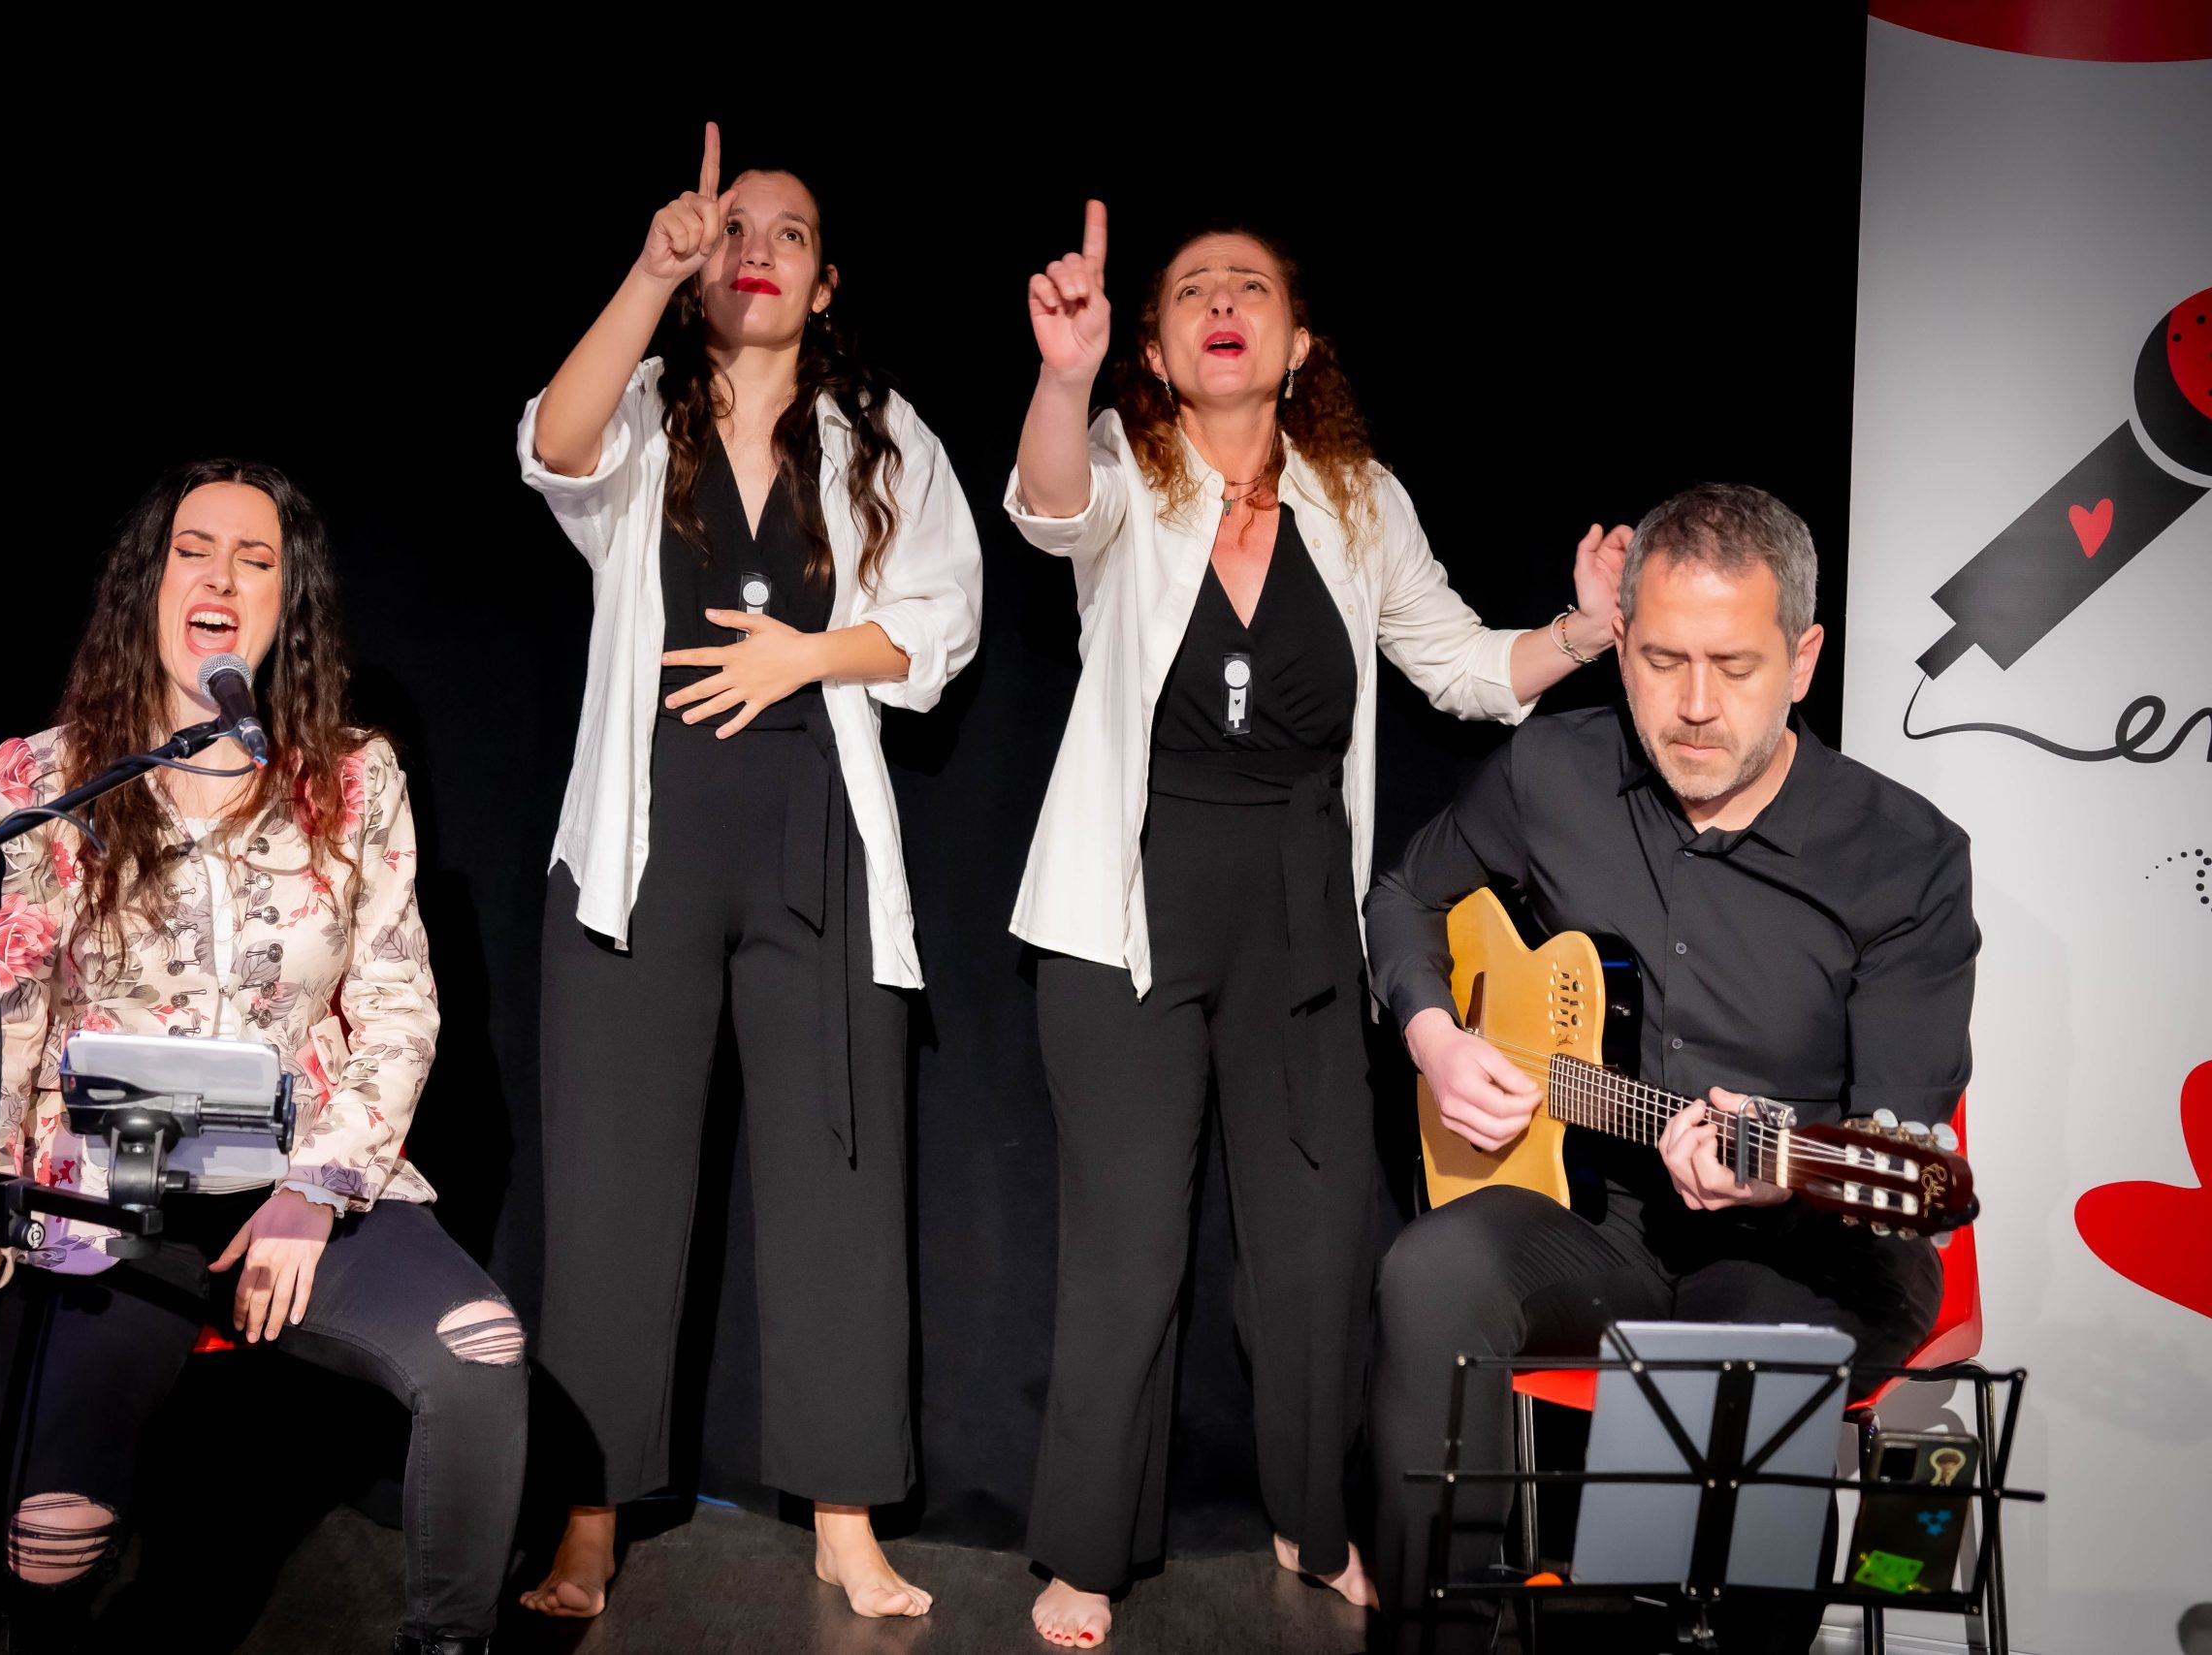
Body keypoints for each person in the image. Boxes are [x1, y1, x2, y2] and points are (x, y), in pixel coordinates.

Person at [1006, 201, 1624, 1649]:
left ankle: (1313, 1516)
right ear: (1156, 349)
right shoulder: (1121, 463)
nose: (1222, 301)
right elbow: (1048, 509)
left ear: (1297, 346)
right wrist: (1061, 377)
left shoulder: (1361, 500)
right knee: (1129, 1252)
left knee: (1316, 1247)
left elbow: (1461, 664)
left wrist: (1587, 630)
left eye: (1251, 287)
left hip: (1297, 906)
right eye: (1192, 290)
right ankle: (1085, 1549)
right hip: (1126, 905)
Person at [0, 460, 525, 1655]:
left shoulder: (352, 776)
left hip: (300, 1178)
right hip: (109, 1193)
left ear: (289, 603)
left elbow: (397, 1002)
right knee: (49, 1539)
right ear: (150, 584)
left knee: (479, 1353)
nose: (223, 579)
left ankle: (451, 1644)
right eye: (195, 552)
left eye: (256, 559)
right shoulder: (45, 779)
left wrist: (313, 1192)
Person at [1364, 483, 1974, 1654]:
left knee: (1735, 1370)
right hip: (1599, 1214)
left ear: (1802, 660)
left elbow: (1898, 1144)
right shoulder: (1553, 773)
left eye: (1734, 666)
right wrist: (1436, 1035)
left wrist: (1779, 1170)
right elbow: (1403, 894)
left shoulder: (1903, 861)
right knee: (1429, 1272)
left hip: (1809, 1241)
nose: (1693, 706)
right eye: (1659, 661)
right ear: (1622, 640)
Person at [516, 123, 980, 1622]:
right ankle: (588, 1514)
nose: (760, 249)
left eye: (791, 233)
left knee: (840, 1178)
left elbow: (948, 613)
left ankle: (845, 1517)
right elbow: (551, 445)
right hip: (640, 848)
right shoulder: (644, 412)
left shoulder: (878, 434)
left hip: (813, 843)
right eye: (736, 229)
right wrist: (649, 272)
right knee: (610, 1189)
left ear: (826, 281)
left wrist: (808, 653)